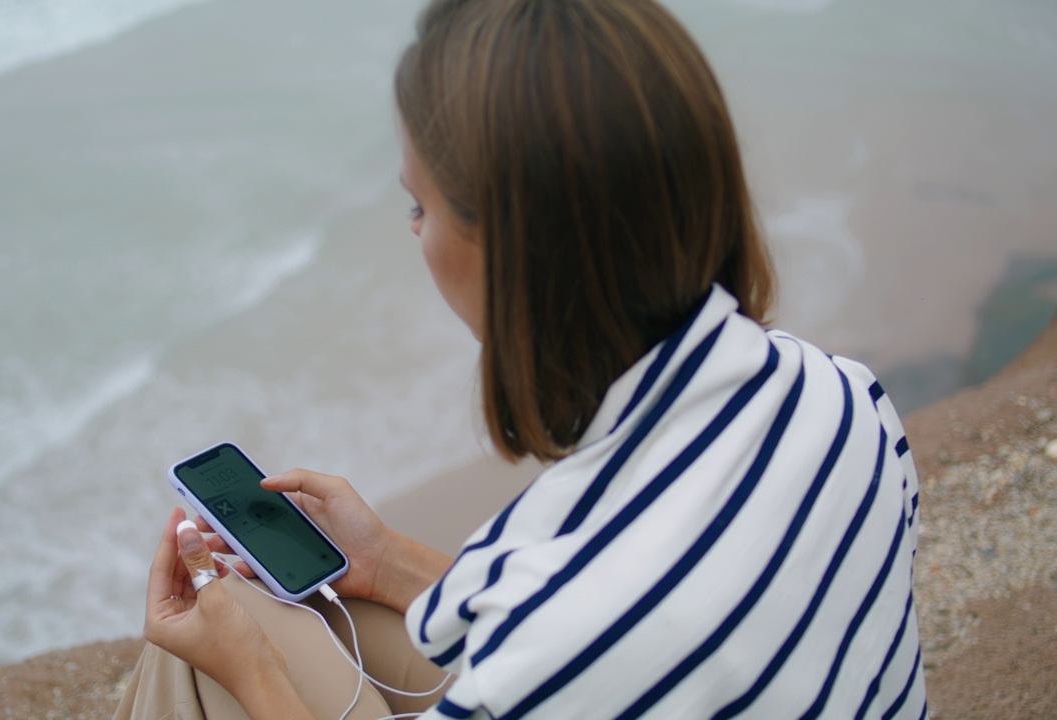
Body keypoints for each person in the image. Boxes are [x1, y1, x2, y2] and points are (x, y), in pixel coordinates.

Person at [115, 0, 927, 717]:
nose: (413, 234)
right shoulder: (843, 396)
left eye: (419, 204)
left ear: (513, 250)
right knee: (298, 609)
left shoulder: (576, 638)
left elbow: (579, 629)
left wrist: (249, 671)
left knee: (219, 645)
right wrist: (385, 560)